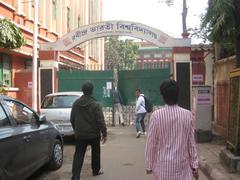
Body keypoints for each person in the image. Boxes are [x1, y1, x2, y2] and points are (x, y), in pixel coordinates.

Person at [145, 80, 199, 180]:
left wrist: (149, 165)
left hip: (163, 169)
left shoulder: (156, 116)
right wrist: (195, 165)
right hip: (183, 168)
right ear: (178, 95)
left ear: (162, 96)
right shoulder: (188, 115)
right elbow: (191, 142)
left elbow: (151, 143)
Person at [70, 81, 107, 180]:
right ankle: (96, 171)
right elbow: (100, 121)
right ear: (92, 91)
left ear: (83, 90)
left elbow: (72, 119)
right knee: (96, 152)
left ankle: (75, 176)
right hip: (94, 135)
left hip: (80, 135)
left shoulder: (76, 103)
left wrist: (76, 129)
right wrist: (104, 133)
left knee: (78, 154)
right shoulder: (96, 104)